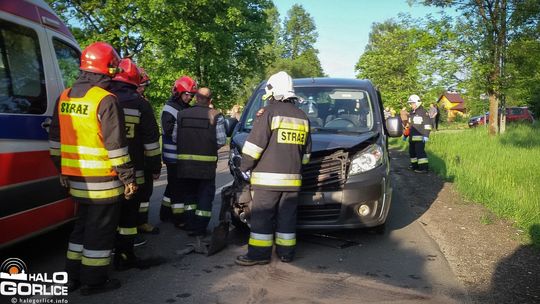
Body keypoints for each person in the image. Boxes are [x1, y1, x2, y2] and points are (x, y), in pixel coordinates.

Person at [48, 42, 136, 295]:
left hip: (75, 178)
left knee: (81, 227)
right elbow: (116, 145)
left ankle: (72, 276)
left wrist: (61, 169)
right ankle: (94, 281)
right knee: (100, 232)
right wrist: (128, 177)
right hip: (103, 180)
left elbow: (55, 140)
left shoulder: (64, 97)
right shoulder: (105, 99)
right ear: (107, 69)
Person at [236, 71, 312, 266]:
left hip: (267, 181)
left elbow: (254, 147)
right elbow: (306, 155)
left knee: (262, 216)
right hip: (293, 182)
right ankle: (286, 253)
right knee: (287, 218)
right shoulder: (302, 117)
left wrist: (245, 166)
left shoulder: (269, 113)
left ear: (273, 92)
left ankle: (259, 255)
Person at [109, 58, 163, 270]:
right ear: (135, 81)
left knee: (107, 214)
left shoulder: (103, 99)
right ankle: (125, 254)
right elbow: (151, 142)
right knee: (129, 215)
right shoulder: (141, 104)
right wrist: (155, 167)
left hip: (107, 171)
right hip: (136, 169)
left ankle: (105, 253)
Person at [176, 87, 226, 239]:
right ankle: (200, 229)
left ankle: (191, 226)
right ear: (210, 100)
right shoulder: (216, 115)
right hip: (206, 166)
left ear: (196, 98)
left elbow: (174, 137)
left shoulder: (181, 114)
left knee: (189, 197)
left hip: (185, 165)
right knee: (205, 197)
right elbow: (222, 140)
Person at [159, 76, 198, 227]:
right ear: (178, 92)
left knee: (172, 185)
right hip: (172, 156)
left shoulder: (185, 108)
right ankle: (179, 219)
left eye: (192, 95)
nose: (189, 97)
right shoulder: (170, 108)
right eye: (187, 94)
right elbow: (169, 130)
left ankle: (165, 213)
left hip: (180, 156)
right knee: (178, 188)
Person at [135, 68, 161, 235]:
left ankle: (141, 222)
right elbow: (150, 137)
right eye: (142, 85)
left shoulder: (142, 101)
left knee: (145, 193)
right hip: (139, 157)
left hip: (142, 158)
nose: (144, 89)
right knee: (137, 194)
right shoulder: (135, 103)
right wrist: (155, 166)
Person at [407, 94, 432, 173]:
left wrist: (426, 135)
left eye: (412, 103)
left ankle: (424, 168)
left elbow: (427, 125)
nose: (411, 105)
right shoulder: (411, 112)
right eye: (410, 103)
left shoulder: (423, 112)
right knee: (412, 153)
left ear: (417, 103)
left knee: (420, 153)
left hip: (420, 138)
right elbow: (410, 125)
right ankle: (414, 167)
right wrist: (406, 134)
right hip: (412, 138)